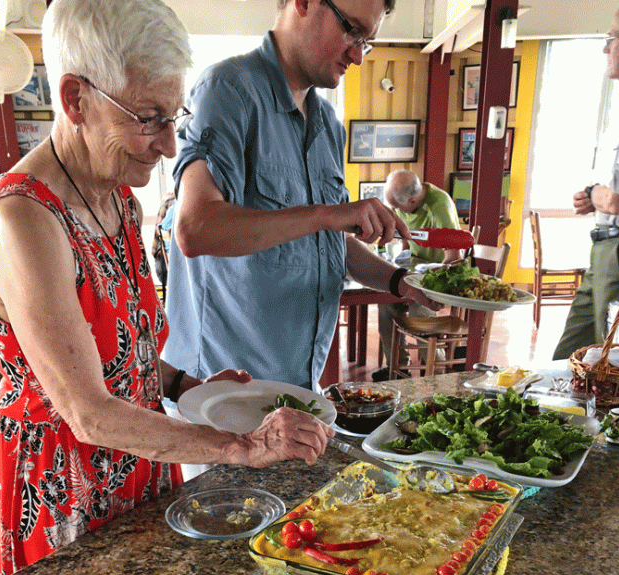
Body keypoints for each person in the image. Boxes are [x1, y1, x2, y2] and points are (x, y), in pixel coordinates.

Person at [0, 0, 333, 575]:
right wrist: (241, 447)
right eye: (148, 118)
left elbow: (125, 352)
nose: (168, 146)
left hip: (140, 463)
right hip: (63, 490)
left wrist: (186, 384)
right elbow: (88, 413)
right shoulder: (23, 222)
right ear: (74, 99)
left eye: (173, 118)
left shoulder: (118, 199)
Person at [163, 0, 435, 390]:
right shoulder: (227, 91)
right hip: (224, 394)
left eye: (367, 41)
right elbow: (195, 229)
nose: (358, 55)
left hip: (299, 387)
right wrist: (325, 214)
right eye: (351, 30)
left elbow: (331, 243)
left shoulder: (328, 125)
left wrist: (400, 282)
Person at [553, 0, 619, 360]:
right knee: (569, 359)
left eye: (612, 37)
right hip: (609, 246)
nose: (605, 47)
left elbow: (618, 200)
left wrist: (595, 195)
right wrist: (595, 196)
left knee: (612, 366)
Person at [373, 170, 463, 379]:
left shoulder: (439, 206)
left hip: (439, 274)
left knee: (419, 314)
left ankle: (438, 374)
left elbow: (453, 258)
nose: (394, 212)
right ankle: (397, 369)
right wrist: (402, 256)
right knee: (385, 303)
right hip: (415, 271)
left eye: (396, 208)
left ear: (413, 200)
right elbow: (406, 238)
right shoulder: (406, 201)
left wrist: (425, 280)